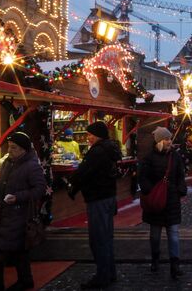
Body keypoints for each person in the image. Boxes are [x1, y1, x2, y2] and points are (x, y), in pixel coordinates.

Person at [0, 132, 46, 291]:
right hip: (2, 213)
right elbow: (5, 184)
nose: (10, 150)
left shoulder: (31, 166)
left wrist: (18, 197)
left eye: (13, 148)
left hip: (18, 215)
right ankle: (19, 281)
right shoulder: (8, 163)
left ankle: (0, 284)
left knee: (4, 252)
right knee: (12, 252)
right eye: (9, 147)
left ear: (23, 150)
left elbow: (40, 189)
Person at [68, 121, 121, 289]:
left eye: (90, 134)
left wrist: (73, 184)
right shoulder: (109, 149)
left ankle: (102, 276)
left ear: (97, 135)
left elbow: (83, 172)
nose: (88, 137)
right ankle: (109, 273)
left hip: (98, 198)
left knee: (98, 239)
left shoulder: (98, 152)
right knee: (106, 238)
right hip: (108, 197)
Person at [138, 126, 187, 280]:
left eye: (169, 138)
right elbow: (143, 177)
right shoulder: (149, 157)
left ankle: (175, 264)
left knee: (173, 235)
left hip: (172, 200)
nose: (169, 141)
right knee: (155, 236)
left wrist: (180, 189)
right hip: (156, 202)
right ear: (159, 141)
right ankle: (155, 260)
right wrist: (149, 190)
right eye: (166, 139)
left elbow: (180, 175)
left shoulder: (175, 157)